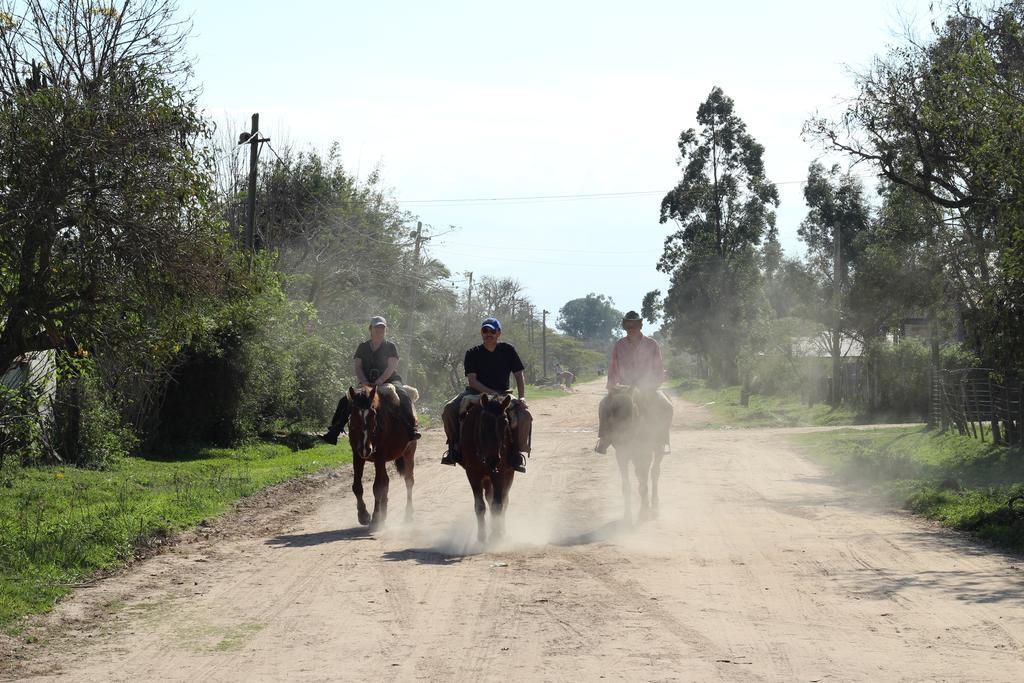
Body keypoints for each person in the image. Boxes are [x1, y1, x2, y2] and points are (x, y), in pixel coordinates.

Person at [440, 317, 533, 473]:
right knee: (449, 409)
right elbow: (472, 381)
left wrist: (522, 397)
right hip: (475, 393)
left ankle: (517, 452)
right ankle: (454, 448)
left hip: (503, 394)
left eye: (492, 331)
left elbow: (518, 375)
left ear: (499, 333)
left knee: (525, 416)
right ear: (481, 333)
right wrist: (491, 393)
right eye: (485, 330)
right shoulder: (472, 353)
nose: (488, 334)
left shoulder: (508, 350)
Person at [320, 316, 420, 444]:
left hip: (389, 380)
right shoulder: (363, 347)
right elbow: (358, 366)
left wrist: (380, 380)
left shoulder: (390, 346)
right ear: (370, 329)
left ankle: (411, 429)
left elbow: (392, 366)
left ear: (385, 330)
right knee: (346, 400)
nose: (379, 330)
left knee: (403, 395)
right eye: (376, 328)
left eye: (382, 328)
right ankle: (334, 431)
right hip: (366, 381)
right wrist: (364, 380)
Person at [595, 310, 673, 454]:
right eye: (628, 325)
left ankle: (663, 441)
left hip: (648, 388)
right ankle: (604, 438)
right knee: (603, 404)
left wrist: (653, 384)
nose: (631, 328)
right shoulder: (619, 345)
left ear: (640, 325)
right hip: (624, 390)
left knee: (666, 406)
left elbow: (658, 368)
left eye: (634, 325)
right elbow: (613, 368)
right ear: (625, 326)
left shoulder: (652, 344)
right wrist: (612, 387)